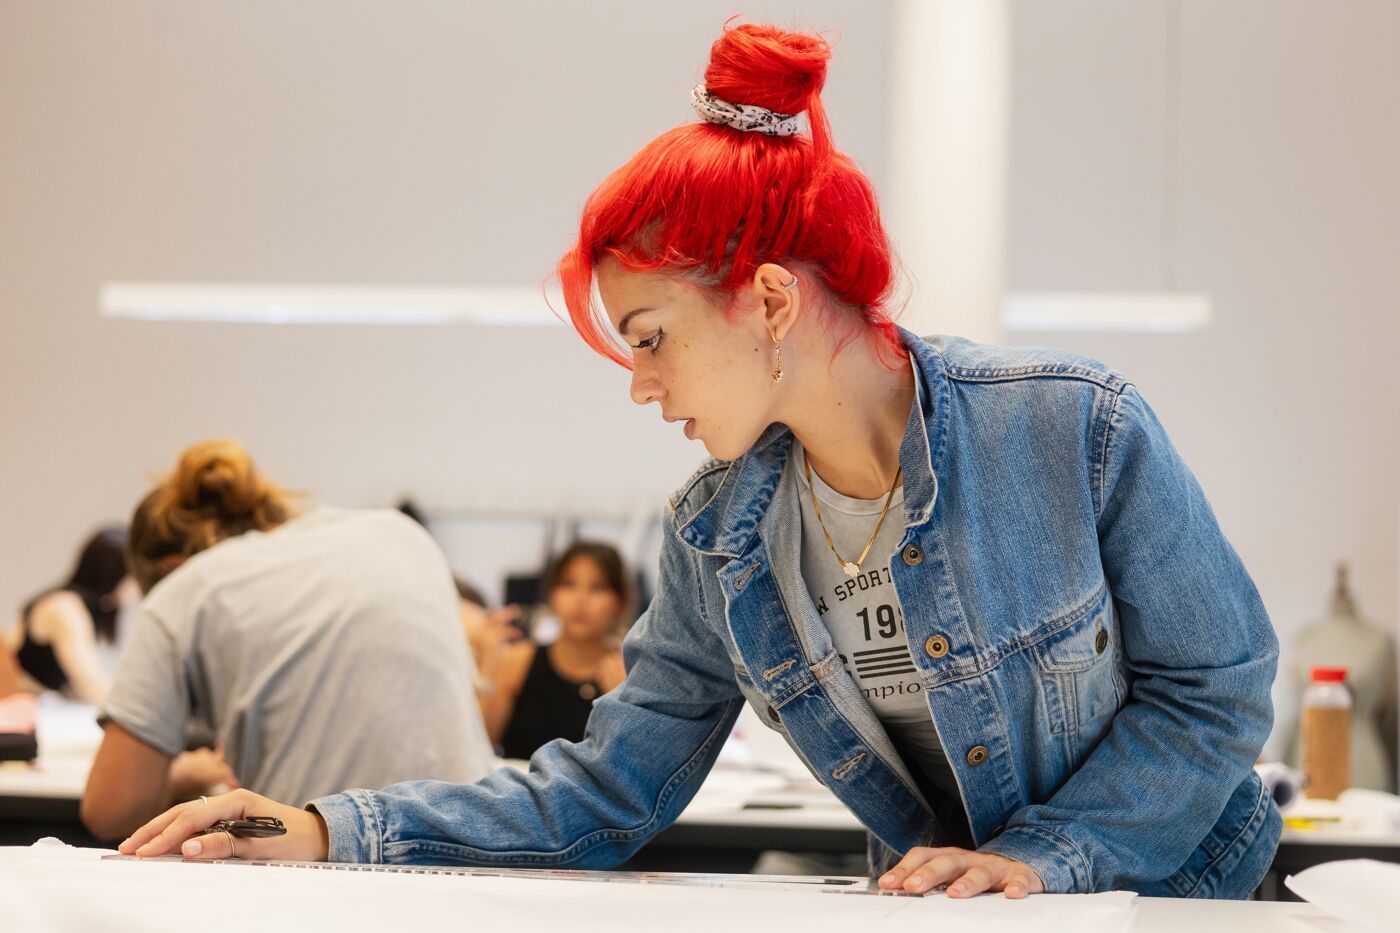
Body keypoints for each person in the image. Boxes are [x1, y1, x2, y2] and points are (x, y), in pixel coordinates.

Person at [122, 23, 1280, 899]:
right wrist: (322, 830)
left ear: (770, 300)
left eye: (650, 338)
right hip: (954, 913)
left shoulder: (1071, 432)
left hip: (1180, 902)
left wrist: (1048, 858)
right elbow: (605, 790)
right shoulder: (717, 539)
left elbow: (1213, 693)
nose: (640, 382)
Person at [81, 439, 495, 839]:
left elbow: (111, 810)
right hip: (477, 843)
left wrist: (183, 775)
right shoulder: (402, 534)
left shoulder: (186, 588)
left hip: (327, 871)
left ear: (171, 566)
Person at [472, 542, 630, 759]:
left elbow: (639, 762)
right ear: (551, 595)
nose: (580, 599)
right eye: (568, 584)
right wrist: (487, 667)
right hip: (520, 790)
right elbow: (480, 747)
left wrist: (624, 704)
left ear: (620, 602)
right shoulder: (517, 662)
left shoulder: (628, 673)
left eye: (597, 587)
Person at [4, 527, 135, 704]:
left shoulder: (85, 607)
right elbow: (91, 685)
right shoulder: (65, 608)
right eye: (133, 575)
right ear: (112, 574)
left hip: (31, 708)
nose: (137, 585)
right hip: (17, 707)